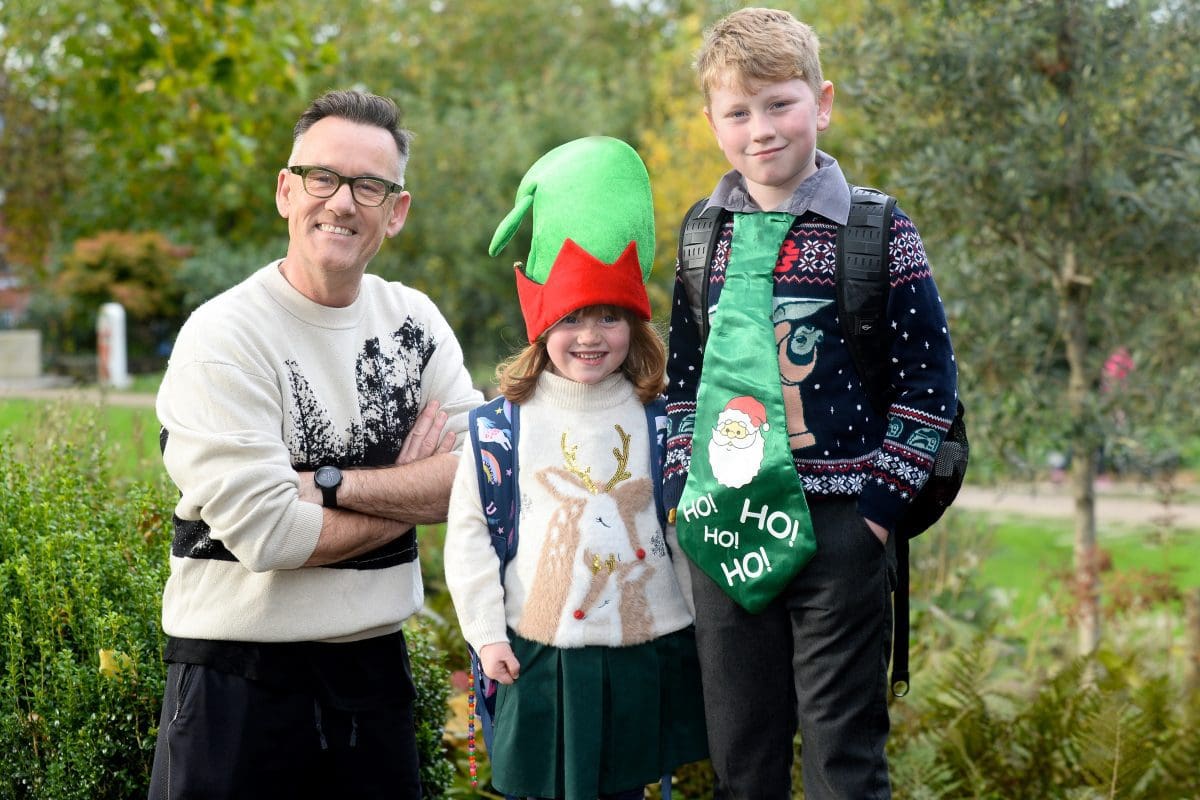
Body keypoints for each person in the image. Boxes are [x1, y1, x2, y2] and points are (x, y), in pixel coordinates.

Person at [148, 89, 483, 799]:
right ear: (286, 190)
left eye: (369, 186)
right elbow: (271, 533)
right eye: (322, 178)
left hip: (374, 679)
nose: (341, 202)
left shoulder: (413, 322)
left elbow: (484, 474)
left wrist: (328, 483)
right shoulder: (225, 337)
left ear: (396, 211)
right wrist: (414, 484)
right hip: (237, 684)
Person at [663, 8, 959, 800]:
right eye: (738, 111)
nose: (761, 129)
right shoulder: (703, 237)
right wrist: (677, 498)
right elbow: (683, 387)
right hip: (727, 525)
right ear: (713, 123)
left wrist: (874, 514)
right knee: (742, 760)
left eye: (779, 103)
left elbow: (929, 386)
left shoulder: (877, 229)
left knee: (843, 762)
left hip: (841, 530)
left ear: (821, 102)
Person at [444, 136, 707, 800]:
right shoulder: (501, 428)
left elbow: (684, 527)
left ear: (635, 324)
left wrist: (714, 627)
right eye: (572, 318)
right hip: (544, 649)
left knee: (632, 789)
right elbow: (471, 537)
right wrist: (483, 634)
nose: (590, 336)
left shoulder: (662, 416)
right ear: (541, 325)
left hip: (647, 644)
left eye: (608, 318)